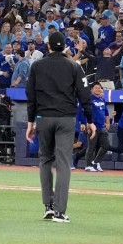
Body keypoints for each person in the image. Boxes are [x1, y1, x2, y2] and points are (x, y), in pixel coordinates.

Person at [25, 32, 95, 223]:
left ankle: (48, 206)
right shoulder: (73, 65)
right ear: (64, 47)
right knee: (63, 163)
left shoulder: (37, 65)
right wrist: (90, 120)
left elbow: (30, 95)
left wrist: (30, 122)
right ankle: (59, 211)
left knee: (45, 160)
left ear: (48, 46)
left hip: (43, 117)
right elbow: (84, 95)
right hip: (65, 118)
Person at [83, 83, 112, 172]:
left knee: (106, 145)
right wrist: (87, 123)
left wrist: (107, 122)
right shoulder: (89, 99)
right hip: (93, 126)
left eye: (100, 88)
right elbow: (84, 111)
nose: (98, 89)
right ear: (91, 89)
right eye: (96, 88)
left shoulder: (102, 99)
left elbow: (106, 112)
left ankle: (96, 162)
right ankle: (88, 165)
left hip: (102, 126)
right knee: (91, 147)